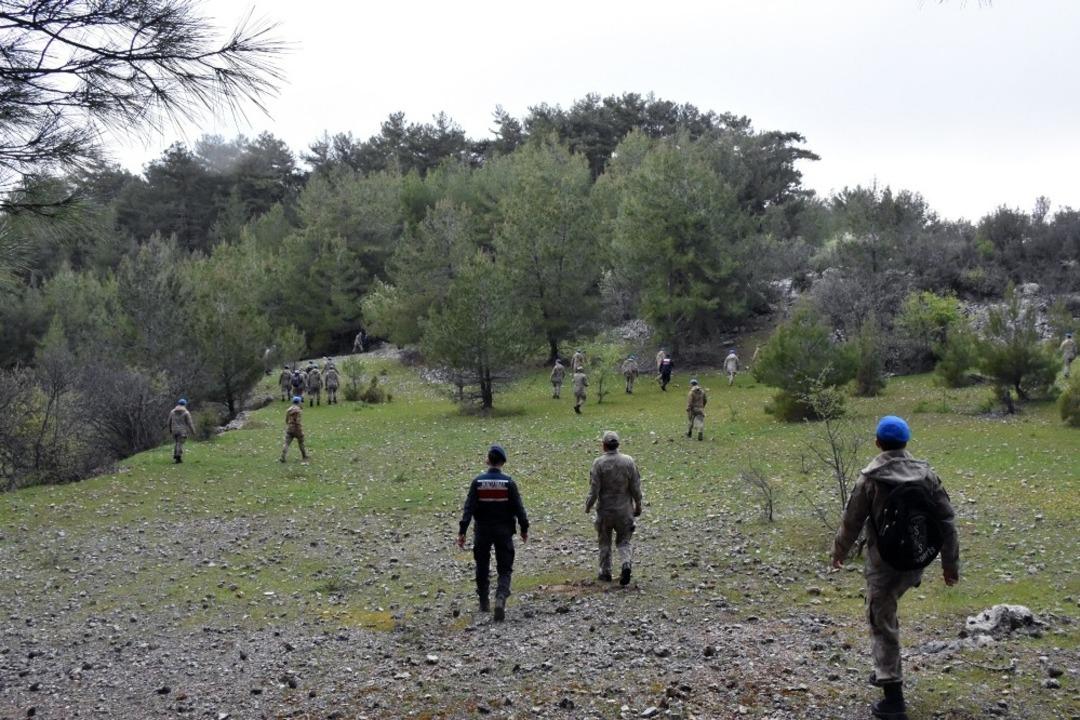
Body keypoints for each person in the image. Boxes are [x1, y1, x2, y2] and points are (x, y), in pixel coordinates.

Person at [831, 416, 959, 720]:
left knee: (881, 620)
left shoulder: (870, 479)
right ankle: (884, 669)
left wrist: (839, 552)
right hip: (917, 559)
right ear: (906, 442)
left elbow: (852, 521)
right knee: (885, 612)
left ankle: (893, 697)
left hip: (884, 564)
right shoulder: (927, 475)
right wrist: (949, 565)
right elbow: (947, 522)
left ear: (878, 443)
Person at [456, 445, 529, 621]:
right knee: (505, 567)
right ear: (503, 462)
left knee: (481, 565)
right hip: (504, 531)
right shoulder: (508, 483)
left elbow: (469, 508)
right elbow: (519, 508)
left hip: (482, 531)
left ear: (488, 460)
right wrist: (524, 528)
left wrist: (462, 531)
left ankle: (483, 602)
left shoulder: (478, 482)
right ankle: (500, 599)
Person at [586, 430, 642, 586]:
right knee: (624, 541)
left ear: (603, 446)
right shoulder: (629, 461)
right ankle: (626, 563)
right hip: (624, 511)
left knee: (604, 542)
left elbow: (594, 489)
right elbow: (635, 487)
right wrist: (638, 504)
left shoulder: (598, 463)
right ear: (618, 445)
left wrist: (588, 505)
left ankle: (605, 572)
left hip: (605, 511)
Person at [167, 398, 196, 464]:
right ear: (185, 404)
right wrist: (193, 431)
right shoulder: (186, 412)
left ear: (178, 404)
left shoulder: (172, 412)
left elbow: (168, 422)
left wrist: (170, 430)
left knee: (177, 442)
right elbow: (190, 423)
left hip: (174, 430)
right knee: (180, 443)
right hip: (182, 431)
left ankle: (177, 456)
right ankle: (178, 457)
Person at [280, 396, 308, 463]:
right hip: (297, 429)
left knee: (287, 443)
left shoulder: (288, 410)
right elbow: (298, 421)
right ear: (299, 402)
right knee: (301, 442)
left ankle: (282, 457)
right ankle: (304, 455)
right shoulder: (299, 410)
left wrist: (289, 425)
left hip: (290, 428)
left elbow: (286, 420)